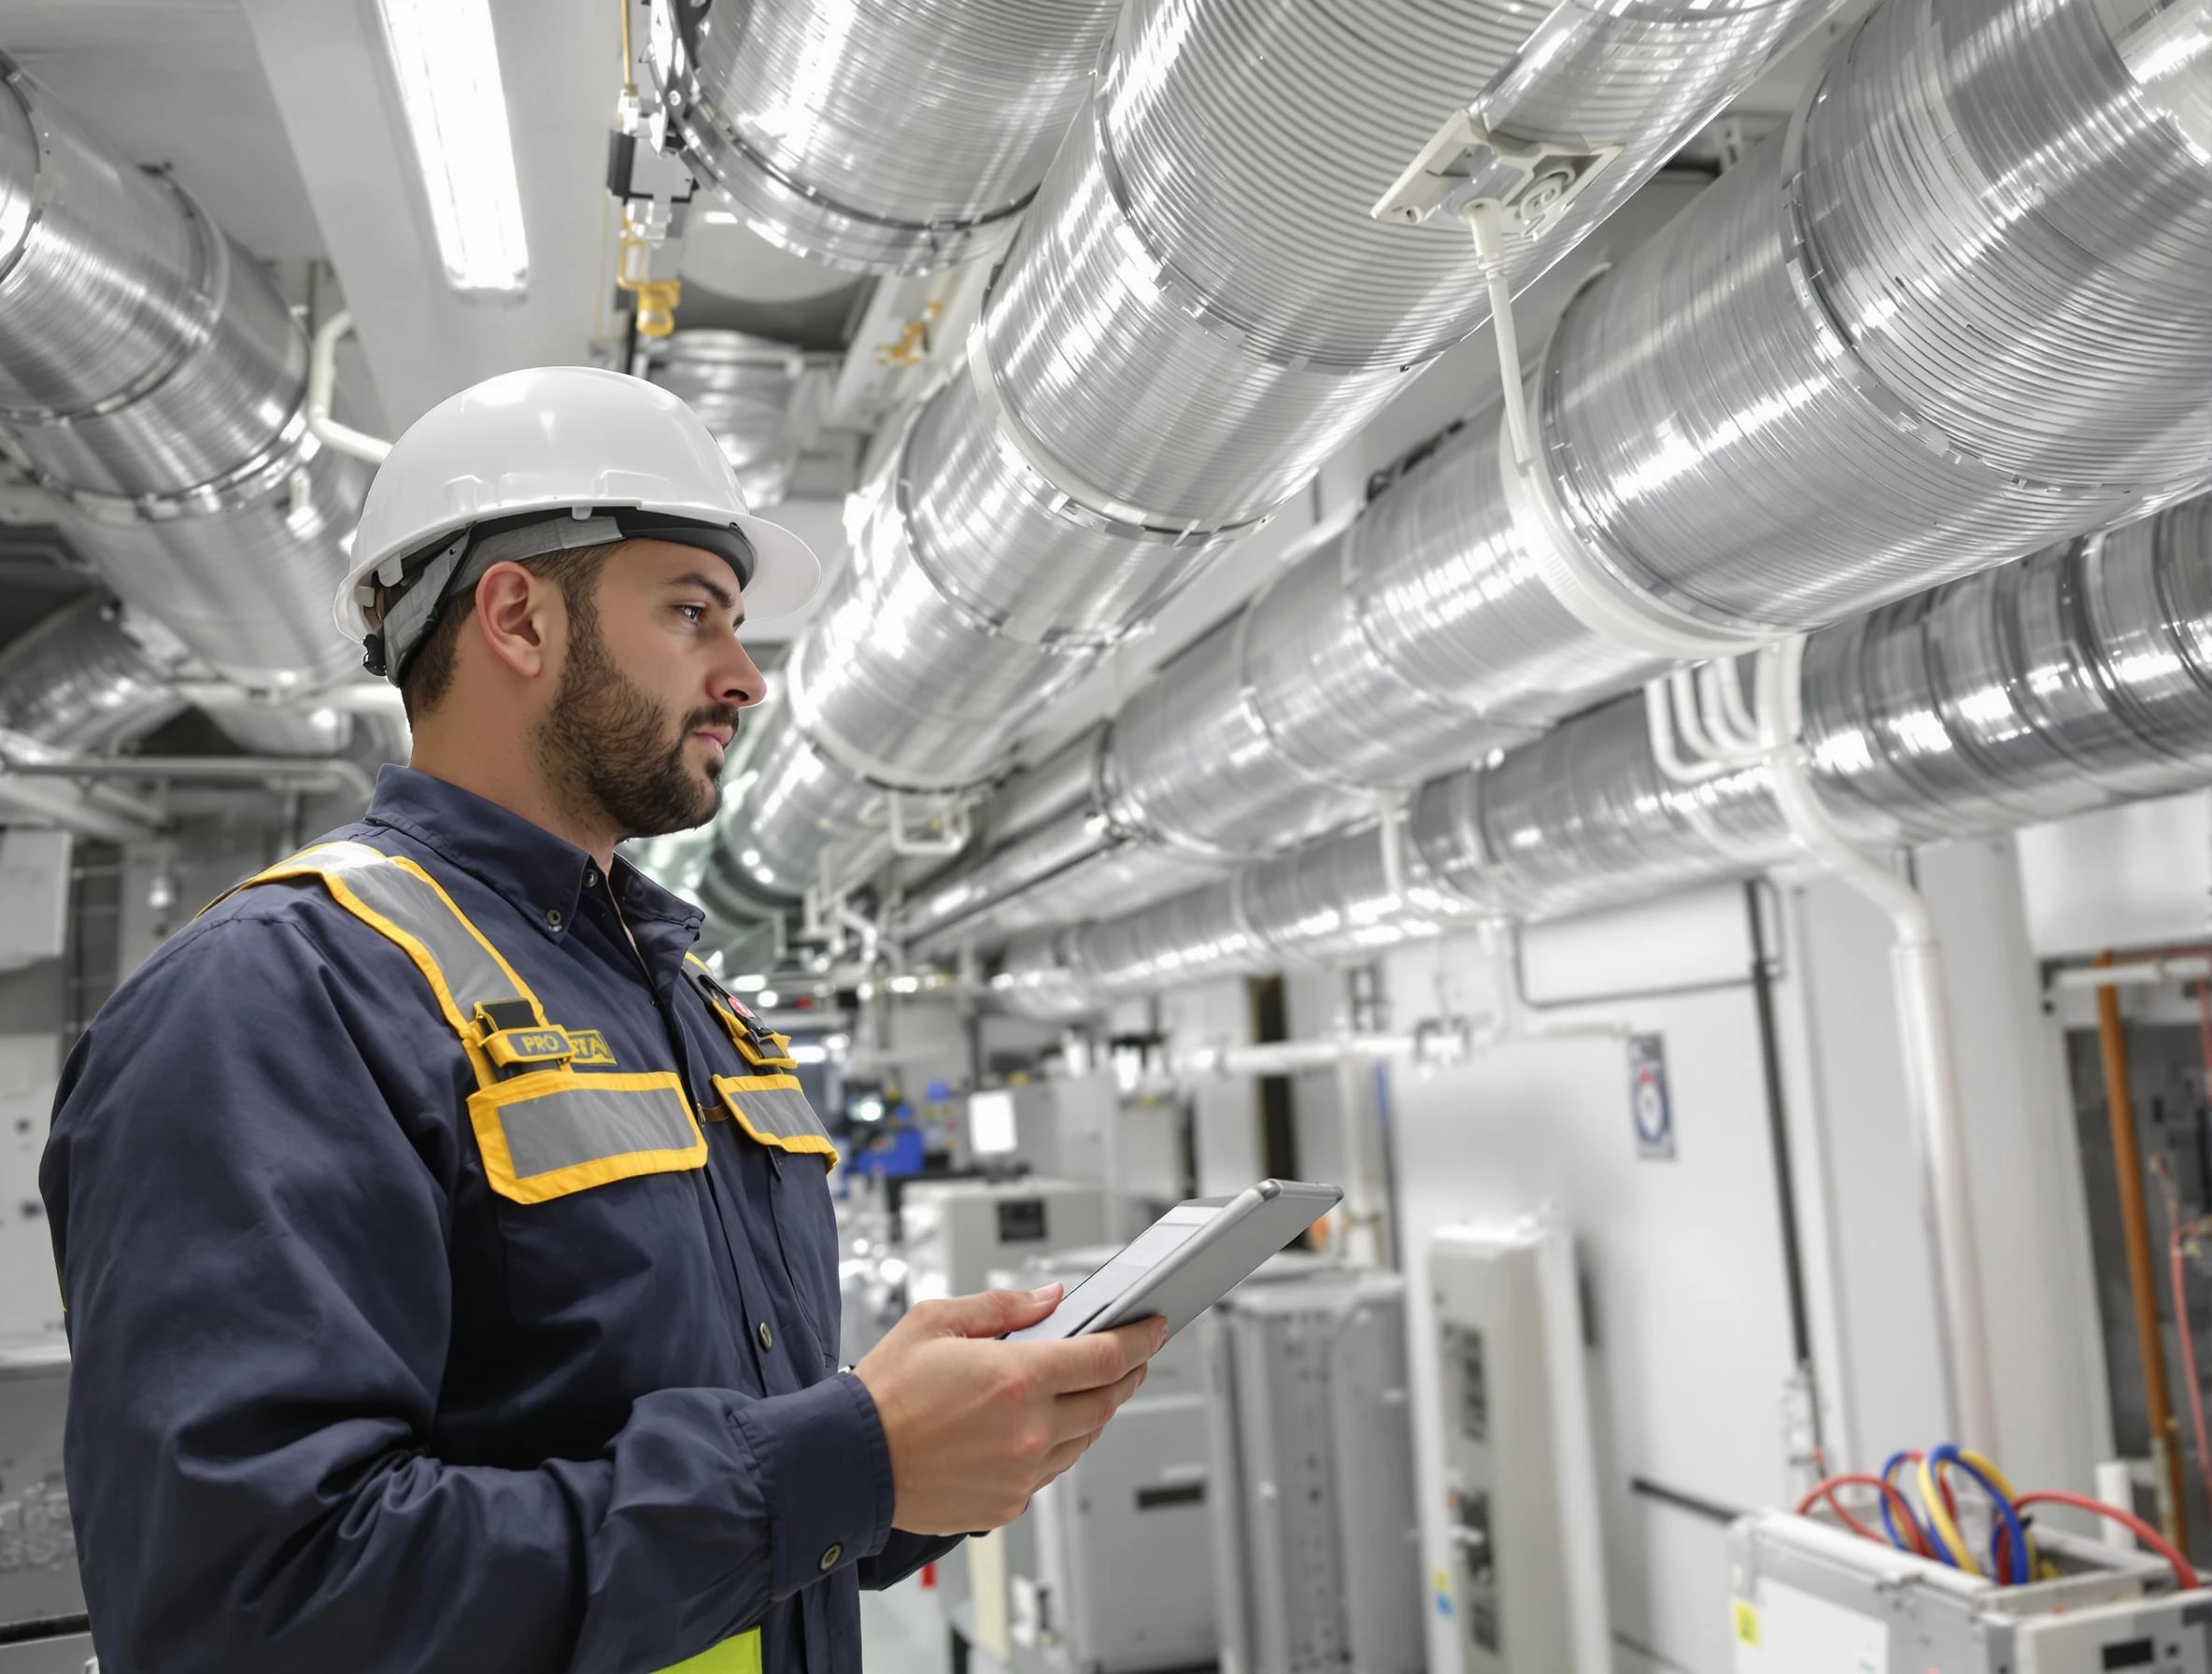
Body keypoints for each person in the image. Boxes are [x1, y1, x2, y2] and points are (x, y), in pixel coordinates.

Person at [40, 367, 1162, 1674]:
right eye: (695, 613)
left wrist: (913, 1461)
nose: (746, 677)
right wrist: (840, 1460)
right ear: (517, 616)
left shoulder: (687, 1005)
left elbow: (723, 1489)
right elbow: (253, 1602)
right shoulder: (279, 998)